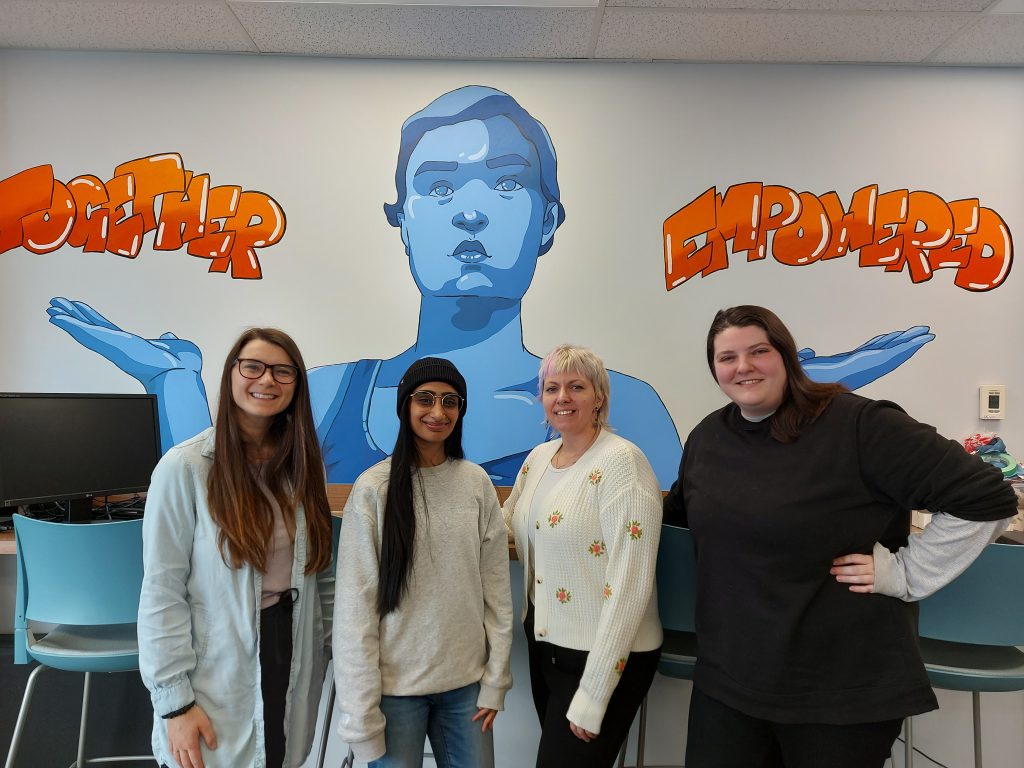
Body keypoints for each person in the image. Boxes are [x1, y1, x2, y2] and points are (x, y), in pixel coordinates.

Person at [46, 88, 934, 488]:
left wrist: (806, 397)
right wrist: (172, 378)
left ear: (549, 219)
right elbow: (218, 494)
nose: (471, 214)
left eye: (506, 184)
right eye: (438, 188)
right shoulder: (333, 393)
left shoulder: (628, 407)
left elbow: (720, 517)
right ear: (401, 218)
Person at [664, 305, 1017, 768]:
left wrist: (907, 572)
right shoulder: (708, 438)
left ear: (786, 356)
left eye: (758, 351)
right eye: (727, 357)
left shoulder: (858, 425)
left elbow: (988, 497)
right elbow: (677, 521)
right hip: (730, 680)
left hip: (838, 689)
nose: (743, 366)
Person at [138, 328, 334, 768]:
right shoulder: (184, 468)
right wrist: (174, 704)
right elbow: (161, 592)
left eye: (283, 372)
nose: (267, 380)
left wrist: (335, 651)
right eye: (253, 366)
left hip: (290, 638)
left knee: (282, 753)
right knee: (216, 757)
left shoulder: (304, 467)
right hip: (214, 655)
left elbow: (323, 570)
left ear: (297, 386)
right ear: (230, 375)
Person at [333, 356, 514, 767]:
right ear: (405, 407)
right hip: (394, 693)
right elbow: (354, 611)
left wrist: (496, 680)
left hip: (467, 687)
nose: (438, 412)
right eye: (425, 399)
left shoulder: (476, 483)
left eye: (450, 402)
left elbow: (497, 595)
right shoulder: (373, 489)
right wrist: (360, 715)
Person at [504, 344, 663, 767]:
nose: (563, 397)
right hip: (544, 645)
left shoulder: (622, 463)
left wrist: (595, 692)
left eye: (576, 386)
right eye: (552, 387)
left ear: (600, 398)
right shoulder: (538, 459)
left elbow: (631, 586)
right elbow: (503, 524)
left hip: (603, 656)